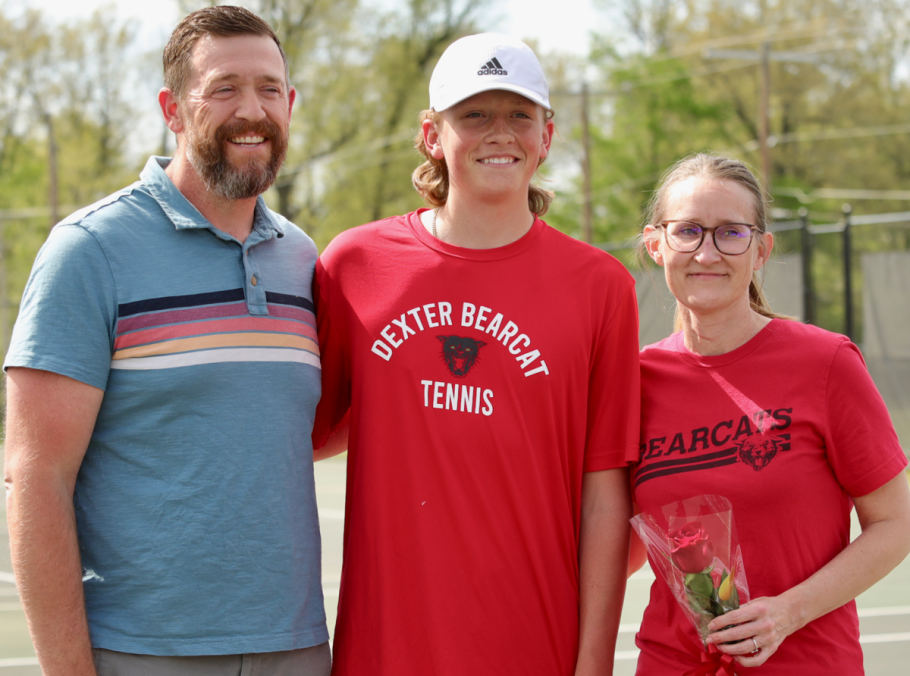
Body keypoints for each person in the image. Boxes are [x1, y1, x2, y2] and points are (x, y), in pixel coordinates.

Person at [3, 6, 330, 676]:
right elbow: (36, 476)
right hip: (140, 652)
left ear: (290, 104)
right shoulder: (89, 251)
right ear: (173, 110)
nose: (252, 110)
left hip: (296, 648)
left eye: (269, 89)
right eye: (224, 89)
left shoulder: (302, 259)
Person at [312, 32, 640, 675]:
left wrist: (594, 662)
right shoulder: (353, 265)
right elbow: (306, 430)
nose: (500, 133)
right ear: (432, 134)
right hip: (385, 651)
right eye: (474, 115)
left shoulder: (601, 287)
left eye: (520, 115)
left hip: (534, 646)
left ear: (547, 136)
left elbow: (605, 495)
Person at [632, 152, 910, 674]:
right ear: (655, 245)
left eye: (731, 233)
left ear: (761, 251)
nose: (707, 252)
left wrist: (787, 612)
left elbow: (896, 523)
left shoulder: (825, 363)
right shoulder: (634, 381)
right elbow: (623, 539)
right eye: (687, 231)